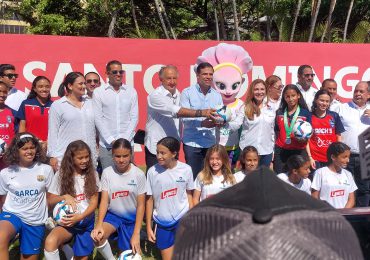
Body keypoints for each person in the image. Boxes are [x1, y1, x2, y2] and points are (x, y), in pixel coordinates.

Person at [145, 65, 215, 171]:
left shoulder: (179, 94)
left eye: (174, 78)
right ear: (161, 79)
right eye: (168, 78)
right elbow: (176, 111)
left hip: (173, 147)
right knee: (155, 181)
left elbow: (185, 116)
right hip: (156, 147)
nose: (172, 81)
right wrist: (203, 113)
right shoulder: (155, 96)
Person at [0, 133, 53, 260]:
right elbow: (2, 199)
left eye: (32, 147)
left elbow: (51, 197)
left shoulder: (46, 170)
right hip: (12, 214)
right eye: (24, 149)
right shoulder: (5, 173)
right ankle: (12, 233)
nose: (29, 151)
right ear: (16, 151)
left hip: (35, 220)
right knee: (0, 237)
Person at [44, 140, 100, 260]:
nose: (85, 160)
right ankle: (65, 246)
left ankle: (68, 249)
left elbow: (94, 202)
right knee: (50, 242)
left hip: (85, 223)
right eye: (80, 158)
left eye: (87, 157)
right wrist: (64, 196)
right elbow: (49, 201)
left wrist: (80, 217)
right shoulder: (61, 175)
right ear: (71, 158)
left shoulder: (93, 174)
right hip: (67, 223)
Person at [91, 138, 146, 258]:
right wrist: (99, 224)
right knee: (97, 238)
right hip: (113, 216)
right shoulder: (107, 172)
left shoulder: (139, 175)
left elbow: (141, 205)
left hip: (131, 219)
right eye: (117, 156)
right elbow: (104, 201)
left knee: (129, 255)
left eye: (125, 156)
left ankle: (137, 236)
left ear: (131, 155)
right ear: (112, 156)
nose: (121, 160)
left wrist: (136, 233)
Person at [146, 137, 194, 260]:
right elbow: (149, 200)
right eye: (157, 152)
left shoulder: (186, 169)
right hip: (163, 221)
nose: (159, 156)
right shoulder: (152, 172)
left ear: (174, 153)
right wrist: (148, 227)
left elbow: (189, 194)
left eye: (163, 153)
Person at [93, 60, 138, 170]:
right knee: (108, 178)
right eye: (114, 72)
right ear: (107, 73)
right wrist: (111, 140)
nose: (118, 74)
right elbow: (98, 118)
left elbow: (134, 118)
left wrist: (125, 140)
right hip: (107, 145)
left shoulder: (131, 91)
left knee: (128, 178)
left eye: (121, 71)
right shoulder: (99, 92)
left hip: (127, 143)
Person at [180, 62, 223, 178]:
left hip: (210, 142)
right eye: (205, 74)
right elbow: (183, 118)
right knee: (193, 178)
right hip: (192, 143)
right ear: (197, 76)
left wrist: (220, 122)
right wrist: (201, 123)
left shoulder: (217, 95)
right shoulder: (187, 93)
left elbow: (221, 116)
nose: (208, 77)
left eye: (210, 74)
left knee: (209, 178)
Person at [47, 72, 97, 171]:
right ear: (70, 86)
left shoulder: (91, 103)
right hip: (66, 158)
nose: (84, 86)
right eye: (80, 84)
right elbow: (53, 132)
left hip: (89, 158)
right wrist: (52, 156)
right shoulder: (58, 105)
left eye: (84, 83)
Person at [336, 81, 370, 206]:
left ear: (368, 94)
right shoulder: (342, 107)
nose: (358, 94)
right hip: (345, 155)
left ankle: (363, 222)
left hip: (366, 155)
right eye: (356, 91)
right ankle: (348, 220)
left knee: (365, 189)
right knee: (345, 188)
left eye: (361, 91)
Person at [273, 84, 311, 174]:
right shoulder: (279, 112)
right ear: (284, 98)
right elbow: (277, 131)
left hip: (299, 150)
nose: (290, 99)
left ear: (298, 96)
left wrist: (303, 139)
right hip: (281, 151)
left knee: (298, 177)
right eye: (287, 96)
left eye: (293, 96)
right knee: (280, 178)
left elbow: (310, 132)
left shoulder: (305, 113)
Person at [239, 79, 275, 167]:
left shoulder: (272, 107)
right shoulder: (245, 107)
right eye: (256, 89)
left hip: (266, 152)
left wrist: (273, 150)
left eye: (262, 89)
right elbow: (236, 124)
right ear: (252, 91)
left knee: (262, 179)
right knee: (248, 179)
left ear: (266, 91)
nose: (259, 92)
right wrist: (224, 123)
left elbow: (272, 130)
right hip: (248, 151)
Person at [306, 89, 345, 170]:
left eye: (327, 101)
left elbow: (338, 137)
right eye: (322, 100)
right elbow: (306, 140)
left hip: (331, 158)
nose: (324, 103)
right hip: (315, 160)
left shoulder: (334, 116)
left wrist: (338, 155)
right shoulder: (309, 116)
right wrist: (310, 157)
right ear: (316, 100)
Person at [311, 142, 357, 209]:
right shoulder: (320, 173)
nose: (348, 160)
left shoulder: (348, 174)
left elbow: (351, 200)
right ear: (333, 157)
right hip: (326, 216)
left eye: (348, 157)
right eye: (344, 157)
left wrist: (343, 213)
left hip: (344, 216)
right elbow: (314, 198)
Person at [17, 76, 53, 150]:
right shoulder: (26, 104)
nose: (44, 89)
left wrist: (48, 142)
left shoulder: (55, 105)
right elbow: (22, 128)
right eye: (40, 86)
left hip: (50, 146)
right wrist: (24, 143)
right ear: (34, 89)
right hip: (30, 146)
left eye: (47, 86)